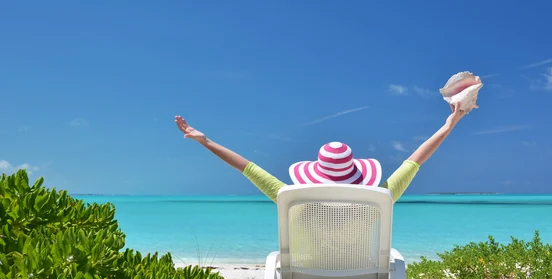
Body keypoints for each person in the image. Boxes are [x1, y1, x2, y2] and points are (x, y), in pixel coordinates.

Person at [174, 102, 468, 201]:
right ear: (358, 174)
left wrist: (206, 141)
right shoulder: (383, 196)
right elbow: (415, 160)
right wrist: (448, 125)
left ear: (315, 173)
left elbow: (246, 167)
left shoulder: (291, 197)